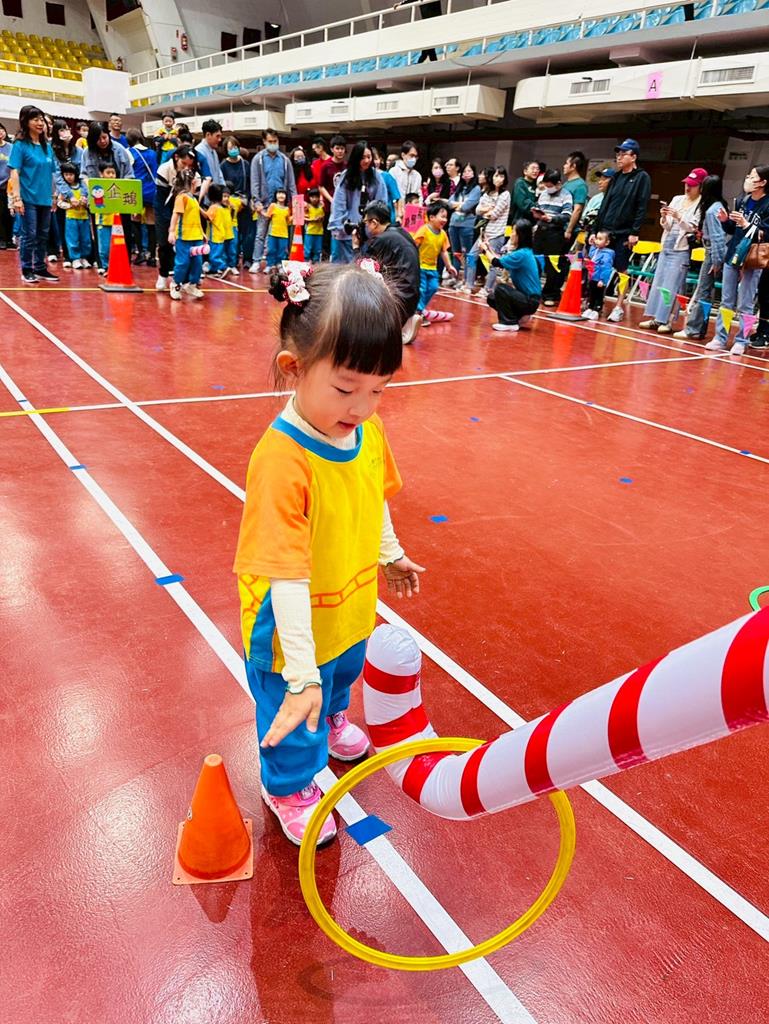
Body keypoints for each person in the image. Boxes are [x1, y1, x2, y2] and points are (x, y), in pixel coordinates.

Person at [233, 261, 423, 846]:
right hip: (289, 620)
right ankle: (288, 785)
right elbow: (286, 576)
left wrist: (389, 552)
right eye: (345, 389)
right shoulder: (282, 461)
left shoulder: (366, 431)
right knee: (296, 707)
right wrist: (298, 673)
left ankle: (333, 714)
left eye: (378, 390)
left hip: (347, 600)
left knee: (342, 672)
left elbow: (374, 495)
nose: (362, 406)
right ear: (294, 368)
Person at [705, 164, 769, 356]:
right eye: (748, 175)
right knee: (726, 300)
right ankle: (720, 337)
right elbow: (734, 229)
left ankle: (742, 339)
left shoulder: (767, 204)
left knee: (746, 302)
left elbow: (765, 234)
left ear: (763, 182)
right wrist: (726, 221)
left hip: (753, 256)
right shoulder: (743, 200)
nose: (748, 179)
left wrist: (746, 224)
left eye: (752, 176)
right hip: (734, 253)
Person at [639, 168, 704, 334]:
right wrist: (663, 217)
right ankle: (655, 317)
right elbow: (667, 226)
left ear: (700, 186)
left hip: (681, 249)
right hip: (667, 245)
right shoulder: (677, 199)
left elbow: (692, 227)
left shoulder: (701, 204)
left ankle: (667, 321)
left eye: (692, 185)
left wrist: (678, 217)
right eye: (687, 184)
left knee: (673, 286)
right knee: (659, 283)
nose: (688, 187)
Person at [593, 138, 652, 323]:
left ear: (633, 157)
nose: (619, 157)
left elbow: (642, 206)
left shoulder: (642, 177)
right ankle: (595, 304)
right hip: (605, 231)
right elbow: (605, 203)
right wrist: (596, 230)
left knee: (622, 269)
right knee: (599, 268)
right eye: (617, 154)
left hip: (624, 232)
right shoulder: (616, 177)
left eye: (623, 154)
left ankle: (618, 307)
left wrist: (635, 231)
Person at [8, 105, 59, 284]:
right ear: (26, 122)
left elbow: (52, 173)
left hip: (45, 198)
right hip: (28, 198)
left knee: (43, 235)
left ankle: (40, 267)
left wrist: (54, 195)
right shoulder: (20, 145)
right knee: (29, 234)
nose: (40, 123)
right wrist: (17, 198)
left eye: (42, 120)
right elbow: (14, 172)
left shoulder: (47, 147)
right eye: (35, 119)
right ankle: (26, 269)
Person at [674, 175, 727, 342]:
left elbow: (718, 238)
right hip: (712, 251)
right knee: (707, 292)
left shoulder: (712, 211)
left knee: (703, 292)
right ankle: (699, 329)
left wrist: (717, 261)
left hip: (712, 253)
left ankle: (693, 329)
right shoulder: (719, 206)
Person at [361, 199, 421, 343]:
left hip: (398, 301)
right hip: (412, 299)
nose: (366, 226)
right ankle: (403, 321)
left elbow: (361, 266)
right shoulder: (403, 233)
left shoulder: (382, 239)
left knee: (360, 283)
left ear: (374, 222)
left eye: (366, 222)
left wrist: (356, 246)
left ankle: (392, 325)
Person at [328, 140, 387, 264]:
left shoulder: (376, 177)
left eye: (369, 157)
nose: (366, 160)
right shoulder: (346, 176)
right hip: (347, 229)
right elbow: (339, 204)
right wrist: (340, 227)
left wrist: (377, 227)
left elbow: (381, 203)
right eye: (363, 157)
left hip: (369, 231)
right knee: (344, 266)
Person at [482, 218, 541, 332]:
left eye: (514, 231)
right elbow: (500, 260)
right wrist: (488, 248)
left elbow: (497, 263)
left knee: (501, 288)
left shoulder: (521, 254)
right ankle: (518, 317)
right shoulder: (523, 252)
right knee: (492, 298)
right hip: (526, 298)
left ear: (520, 235)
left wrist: (485, 251)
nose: (511, 234)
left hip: (530, 301)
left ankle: (509, 322)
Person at [250, 128, 296, 273]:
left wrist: (296, 204)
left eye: (275, 141)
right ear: (264, 142)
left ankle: (280, 262)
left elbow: (291, 184)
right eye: (270, 141)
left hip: (281, 207)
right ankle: (256, 261)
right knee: (260, 234)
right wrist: (256, 201)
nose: (273, 144)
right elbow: (255, 182)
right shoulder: (258, 159)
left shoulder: (285, 160)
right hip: (264, 204)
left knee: (282, 236)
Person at [462, 166, 511, 295]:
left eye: (501, 176)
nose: (498, 179)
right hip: (484, 233)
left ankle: (488, 289)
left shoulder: (505, 194)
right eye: (496, 175)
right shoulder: (487, 193)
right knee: (471, 256)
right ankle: (469, 285)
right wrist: (487, 209)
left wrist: (487, 211)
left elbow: (494, 214)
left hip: (497, 234)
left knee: (492, 262)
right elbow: (477, 210)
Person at [531, 169, 574, 306]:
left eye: (550, 186)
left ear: (558, 183)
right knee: (536, 262)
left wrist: (551, 218)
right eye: (546, 185)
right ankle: (534, 292)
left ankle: (550, 295)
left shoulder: (566, 195)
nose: (548, 188)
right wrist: (536, 213)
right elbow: (538, 208)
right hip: (540, 231)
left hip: (555, 233)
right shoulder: (543, 194)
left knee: (552, 266)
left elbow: (567, 215)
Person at [413, 199, 458, 323]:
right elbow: (414, 246)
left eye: (446, 217)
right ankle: (418, 312)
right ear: (431, 217)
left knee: (433, 287)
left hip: (432, 268)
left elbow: (443, 251)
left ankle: (418, 309)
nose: (445, 220)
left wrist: (449, 266)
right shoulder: (423, 230)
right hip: (420, 267)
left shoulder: (443, 234)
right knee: (421, 290)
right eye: (442, 216)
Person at [168, 168, 205, 300]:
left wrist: (202, 233)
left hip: (196, 237)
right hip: (184, 237)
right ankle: (175, 284)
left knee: (197, 262)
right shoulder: (181, 198)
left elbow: (196, 218)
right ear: (192, 181)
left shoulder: (194, 199)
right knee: (182, 262)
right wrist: (172, 231)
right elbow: (175, 214)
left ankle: (192, 285)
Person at [126, 128, 158, 266]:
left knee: (135, 220)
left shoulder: (129, 152)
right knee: (151, 222)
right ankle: (152, 256)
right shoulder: (152, 153)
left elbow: (128, 173)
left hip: (137, 190)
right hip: (152, 190)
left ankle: (140, 253)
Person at [221, 135, 253, 270]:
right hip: (230, 204)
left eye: (235, 147)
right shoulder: (223, 165)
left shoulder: (245, 164)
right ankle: (231, 261)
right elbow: (222, 185)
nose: (233, 150)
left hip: (244, 202)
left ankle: (247, 259)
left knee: (247, 234)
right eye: (230, 148)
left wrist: (247, 199)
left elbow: (250, 184)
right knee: (232, 234)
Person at [447, 163, 480, 282]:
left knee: (468, 254)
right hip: (453, 224)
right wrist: (459, 205)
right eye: (465, 171)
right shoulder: (459, 188)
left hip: (467, 225)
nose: (467, 173)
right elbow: (449, 203)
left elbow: (467, 206)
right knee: (455, 253)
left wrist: (458, 205)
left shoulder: (476, 189)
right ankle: (454, 277)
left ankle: (468, 279)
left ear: (474, 173)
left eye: (469, 171)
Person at [58, 163, 91, 270]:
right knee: (72, 239)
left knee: (85, 239)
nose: (69, 177)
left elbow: (91, 201)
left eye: (71, 174)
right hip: (71, 217)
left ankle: (84, 257)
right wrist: (69, 205)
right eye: (66, 174)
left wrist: (86, 202)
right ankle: (75, 258)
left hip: (84, 217)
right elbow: (59, 202)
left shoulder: (84, 187)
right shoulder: (64, 189)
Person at [582, 229, 615, 321]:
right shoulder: (596, 250)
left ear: (607, 242)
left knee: (599, 295)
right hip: (592, 277)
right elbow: (591, 254)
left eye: (600, 239)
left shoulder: (607, 254)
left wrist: (602, 280)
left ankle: (597, 310)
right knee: (591, 294)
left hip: (599, 279)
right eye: (596, 238)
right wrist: (592, 244)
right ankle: (590, 308)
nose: (597, 241)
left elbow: (606, 268)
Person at [204, 183, 233, 278]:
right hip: (221, 236)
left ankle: (223, 267)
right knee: (217, 254)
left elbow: (207, 217)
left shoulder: (213, 207)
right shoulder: (222, 208)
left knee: (213, 256)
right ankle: (213, 270)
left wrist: (199, 209)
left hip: (214, 236)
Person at [94, 163, 117, 275]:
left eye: (113, 173)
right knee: (104, 246)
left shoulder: (118, 187)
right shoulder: (97, 187)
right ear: (101, 174)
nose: (111, 175)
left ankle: (115, 267)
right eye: (108, 173)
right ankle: (105, 266)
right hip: (103, 221)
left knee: (115, 246)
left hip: (116, 222)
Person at [195, 118, 225, 204]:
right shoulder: (198, 151)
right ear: (208, 135)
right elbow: (201, 179)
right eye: (217, 136)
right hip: (205, 200)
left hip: (216, 199)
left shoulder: (214, 152)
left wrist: (224, 191)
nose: (220, 139)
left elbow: (219, 174)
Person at [371, 146, 402, 224]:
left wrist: (398, 216)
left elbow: (397, 197)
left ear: (380, 160)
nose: (374, 162)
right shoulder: (362, 177)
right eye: (372, 159)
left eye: (376, 159)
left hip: (387, 217)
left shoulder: (386, 176)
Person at [265, 186, 292, 271]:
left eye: (283, 193)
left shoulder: (287, 209)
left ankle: (279, 264)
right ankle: (269, 264)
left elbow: (288, 222)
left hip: (284, 234)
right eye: (279, 193)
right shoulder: (273, 206)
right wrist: (261, 212)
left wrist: (293, 217)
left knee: (282, 250)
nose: (281, 195)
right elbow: (267, 216)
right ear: (275, 195)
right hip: (273, 233)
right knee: (271, 249)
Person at [580, 167, 615, 234]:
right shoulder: (595, 198)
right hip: (589, 232)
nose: (599, 182)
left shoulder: (616, 198)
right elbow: (584, 217)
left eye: (604, 179)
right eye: (600, 179)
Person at [0, 122, 14, 250]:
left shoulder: (11, 147)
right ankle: (2, 239)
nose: (0, 132)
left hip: (9, 185)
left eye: (2, 129)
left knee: (9, 213)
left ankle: (9, 239)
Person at [303, 187, 324, 263]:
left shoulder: (321, 207)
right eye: (312, 197)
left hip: (319, 232)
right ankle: (306, 260)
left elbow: (323, 218)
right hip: (310, 231)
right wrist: (313, 220)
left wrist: (321, 218)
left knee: (318, 249)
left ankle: (316, 261)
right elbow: (304, 218)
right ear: (309, 198)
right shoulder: (308, 207)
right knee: (307, 248)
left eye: (316, 197)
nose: (314, 199)